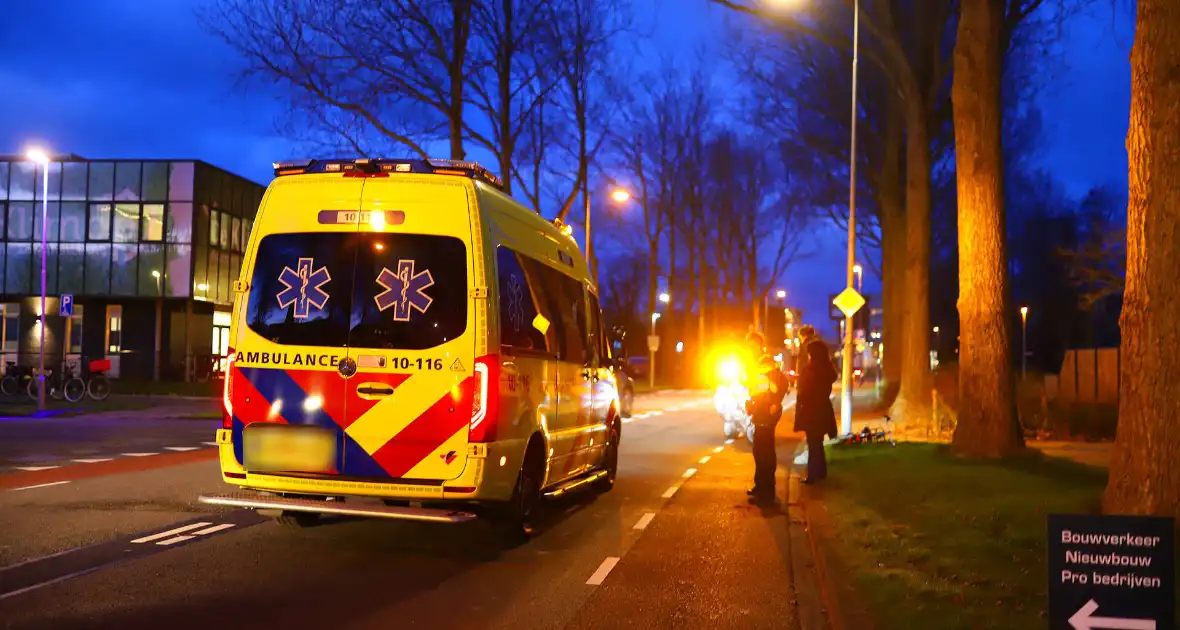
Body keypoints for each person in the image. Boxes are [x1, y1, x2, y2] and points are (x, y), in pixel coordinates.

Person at [793, 335, 838, 483]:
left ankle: (813, 474)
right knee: (817, 442)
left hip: (811, 410)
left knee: (813, 443)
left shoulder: (811, 370)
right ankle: (820, 471)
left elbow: (804, 391)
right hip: (823, 409)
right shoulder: (826, 370)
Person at [746, 354, 789, 504]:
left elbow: (776, 394)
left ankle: (767, 493)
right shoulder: (764, 377)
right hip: (760, 417)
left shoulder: (775, 377)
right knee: (759, 453)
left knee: (765, 455)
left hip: (766, 419)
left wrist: (772, 402)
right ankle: (760, 486)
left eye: (763, 365)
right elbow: (755, 394)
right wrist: (751, 404)